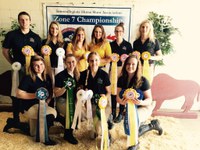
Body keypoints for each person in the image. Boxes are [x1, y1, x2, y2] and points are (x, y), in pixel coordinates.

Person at [2, 11, 42, 133]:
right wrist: (13, 63)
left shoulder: (36, 37)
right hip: (18, 68)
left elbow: (40, 55)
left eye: (26, 19)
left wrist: (33, 54)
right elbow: (5, 51)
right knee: (16, 93)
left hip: (32, 70)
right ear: (19, 21)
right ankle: (16, 119)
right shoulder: (12, 35)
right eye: (22, 20)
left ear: (30, 21)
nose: (24, 22)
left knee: (30, 92)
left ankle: (32, 118)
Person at [116, 54, 163, 150]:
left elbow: (149, 100)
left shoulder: (143, 80)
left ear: (138, 66)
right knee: (129, 131)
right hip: (131, 108)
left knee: (132, 123)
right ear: (125, 65)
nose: (130, 66)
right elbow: (117, 97)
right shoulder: (121, 79)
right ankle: (152, 125)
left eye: (133, 64)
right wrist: (122, 102)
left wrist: (140, 102)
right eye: (128, 64)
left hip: (144, 106)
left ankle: (135, 144)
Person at [16, 55, 57, 145]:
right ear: (32, 67)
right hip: (29, 105)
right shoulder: (28, 78)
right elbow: (19, 94)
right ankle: (45, 138)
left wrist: (46, 103)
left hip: (43, 105)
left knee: (33, 133)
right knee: (49, 115)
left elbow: (50, 93)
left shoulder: (47, 77)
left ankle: (14, 123)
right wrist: (35, 95)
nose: (39, 67)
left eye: (41, 64)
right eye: (36, 65)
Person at [78, 52, 112, 141]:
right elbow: (80, 88)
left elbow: (109, 92)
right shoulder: (84, 74)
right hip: (90, 105)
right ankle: (97, 129)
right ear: (88, 61)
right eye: (91, 60)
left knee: (100, 122)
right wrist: (82, 92)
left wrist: (104, 98)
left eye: (96, 60)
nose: (94, 63)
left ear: (99, 61)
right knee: (92, 135)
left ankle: (107, 134)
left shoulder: (104, 75)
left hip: (103, 104)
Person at [54, 54, 80, 145]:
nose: (71, 64)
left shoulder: (78, 74)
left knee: (80, 115)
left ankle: (62, 120)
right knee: (72, 113)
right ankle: (68, 135)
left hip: (75, 100)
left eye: (73, 62)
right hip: (62, 100)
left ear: (76, 62)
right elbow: (56, 93)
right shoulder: (60, 76)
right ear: (65, 63)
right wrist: (65, 87)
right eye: (69, 62)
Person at [110, 22, 133, 123]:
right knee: (113, 91)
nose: (118, 33)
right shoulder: (110, 44)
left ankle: (120, 113)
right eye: (117, 31)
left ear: (123, 32)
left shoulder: (128, 45)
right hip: (113, 70)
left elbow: (132, 58)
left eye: (120, 31)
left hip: (124, 70)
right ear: (114, 32)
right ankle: (113, 112)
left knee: (123, 91)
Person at [132, 19, 163, 84]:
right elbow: (134, 56)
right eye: (143, 27)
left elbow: (160, 56)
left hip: (149, 67)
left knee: (147, 86)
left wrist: (149, 57)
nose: (144, 29)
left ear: (150, 29)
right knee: (137, 85)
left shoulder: (154, 41)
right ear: (140, 28)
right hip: (137, 67)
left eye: (147, 27)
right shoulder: (136, 42)